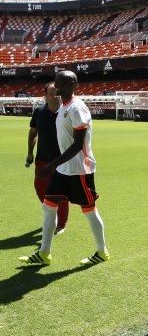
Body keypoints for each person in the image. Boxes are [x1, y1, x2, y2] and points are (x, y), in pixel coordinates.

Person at [19, 71, 109, 266]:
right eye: (56, 79)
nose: (57, 83)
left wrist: (51, 165)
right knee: (48, 206)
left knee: (89, 210)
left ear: (73, 84)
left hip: (79, 170)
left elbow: (78, 145)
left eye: (61, 80)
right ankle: (44, 253)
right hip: (64, 169)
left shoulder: (77, 108)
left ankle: (102, 251)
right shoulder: (63, 107)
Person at [26, 82, 70, 235]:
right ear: (45, 95)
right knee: (40, 189)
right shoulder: (39, 111)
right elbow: (33, 133)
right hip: (42, 159)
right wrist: (30, 152)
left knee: (62, 192)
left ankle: (61, 223)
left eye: (57, 91)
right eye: (51, 92)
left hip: (63, 160)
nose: (54, 94)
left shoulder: (68, 111)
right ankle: (52, 212)